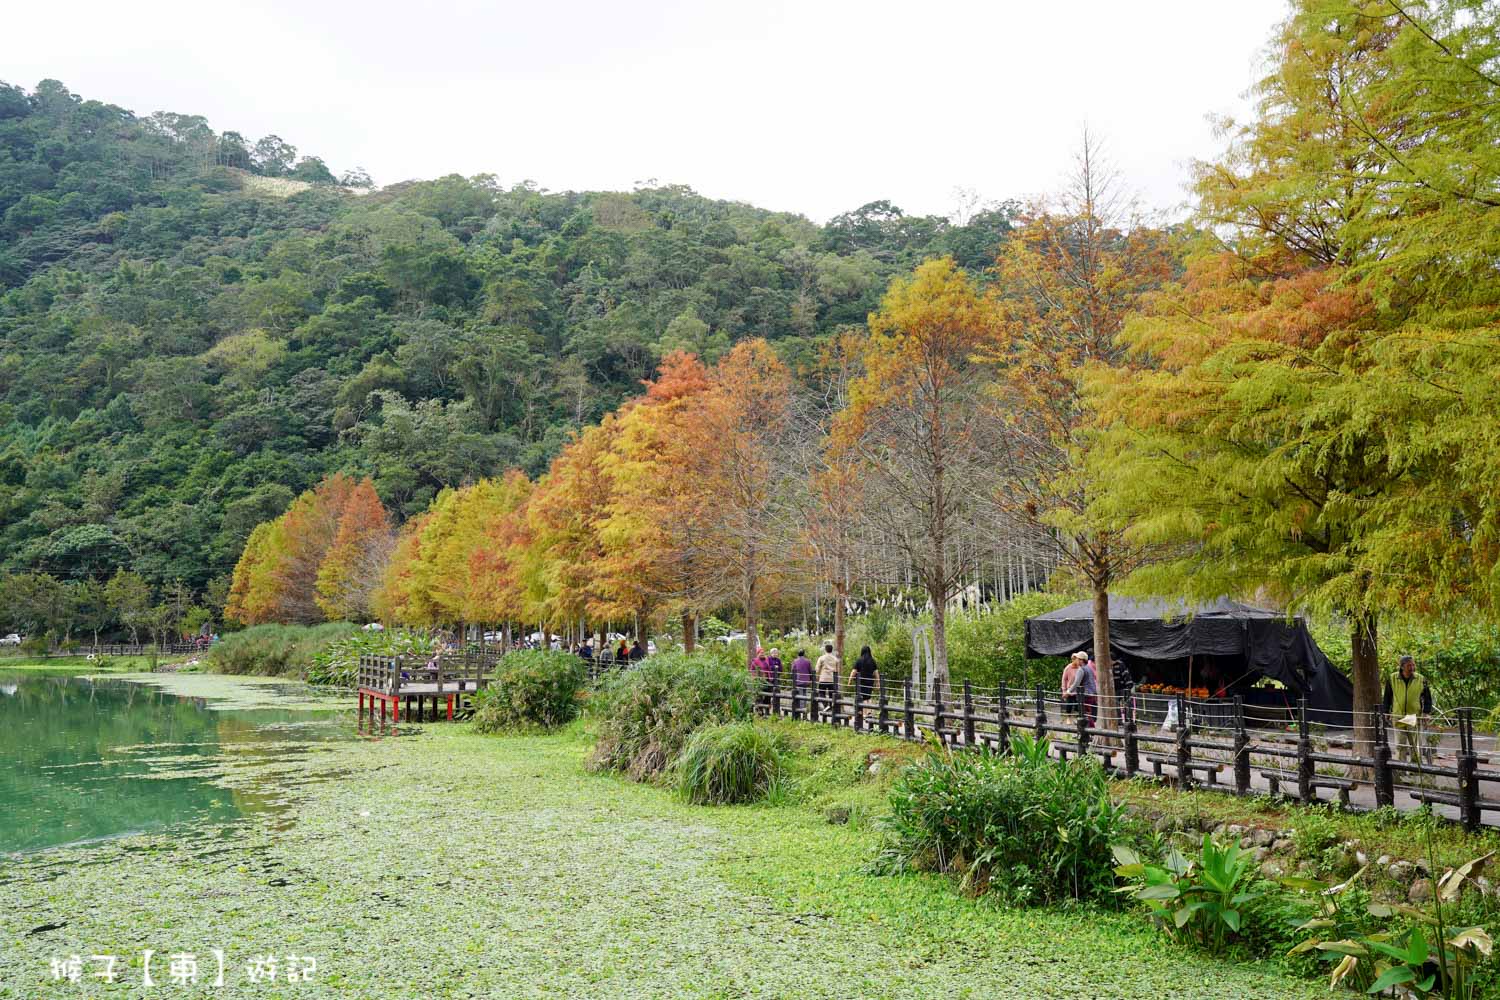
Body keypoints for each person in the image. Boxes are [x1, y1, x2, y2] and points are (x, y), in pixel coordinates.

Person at [1383, 655, 1433, 764]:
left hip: (1413, 716)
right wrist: (1386, 711)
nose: (1412, 667)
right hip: (1398, 716)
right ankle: (1401, 768)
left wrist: (1426, 713)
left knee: (1415, 744)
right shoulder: (1392, 678)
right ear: (1402, 667)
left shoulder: (1421, 679)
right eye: (1409, 665)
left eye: (1413, 664)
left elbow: (1428, 697)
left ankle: (1415, 768)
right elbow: (1387, 696)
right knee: (1400, 745)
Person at [1066, 651, 1098, 726]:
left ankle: (1091, 732)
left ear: (1081, 660)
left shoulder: (1081, 670)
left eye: (1077, 659)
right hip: (1092, 693)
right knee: (1088, 713)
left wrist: (1068, 691)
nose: (1075, 660)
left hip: (1085, 694)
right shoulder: (1089, 668)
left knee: (1086, 714)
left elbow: (1076, 683)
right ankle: (1087, 731)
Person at [815, 643, 841, 719]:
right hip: (832, 679)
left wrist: (817, 676)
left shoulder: (821, 658)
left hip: (823, 678)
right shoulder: (835, 659)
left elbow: (817, 669)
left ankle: (826, 705)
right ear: (831, 650)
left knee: (821, 693)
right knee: (831, 694)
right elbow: (837, 670)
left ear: (825, 650)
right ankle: (830, 705)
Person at [1112, 656, 1135, 725]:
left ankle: (1128, 720)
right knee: (1116, 704)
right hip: (1116, 689)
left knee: (1126, 704)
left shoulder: (1120, 665)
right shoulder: (1111, 665)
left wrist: (1128, 687)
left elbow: (1126, 676)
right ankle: (1119, 721)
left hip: (1123, 688)